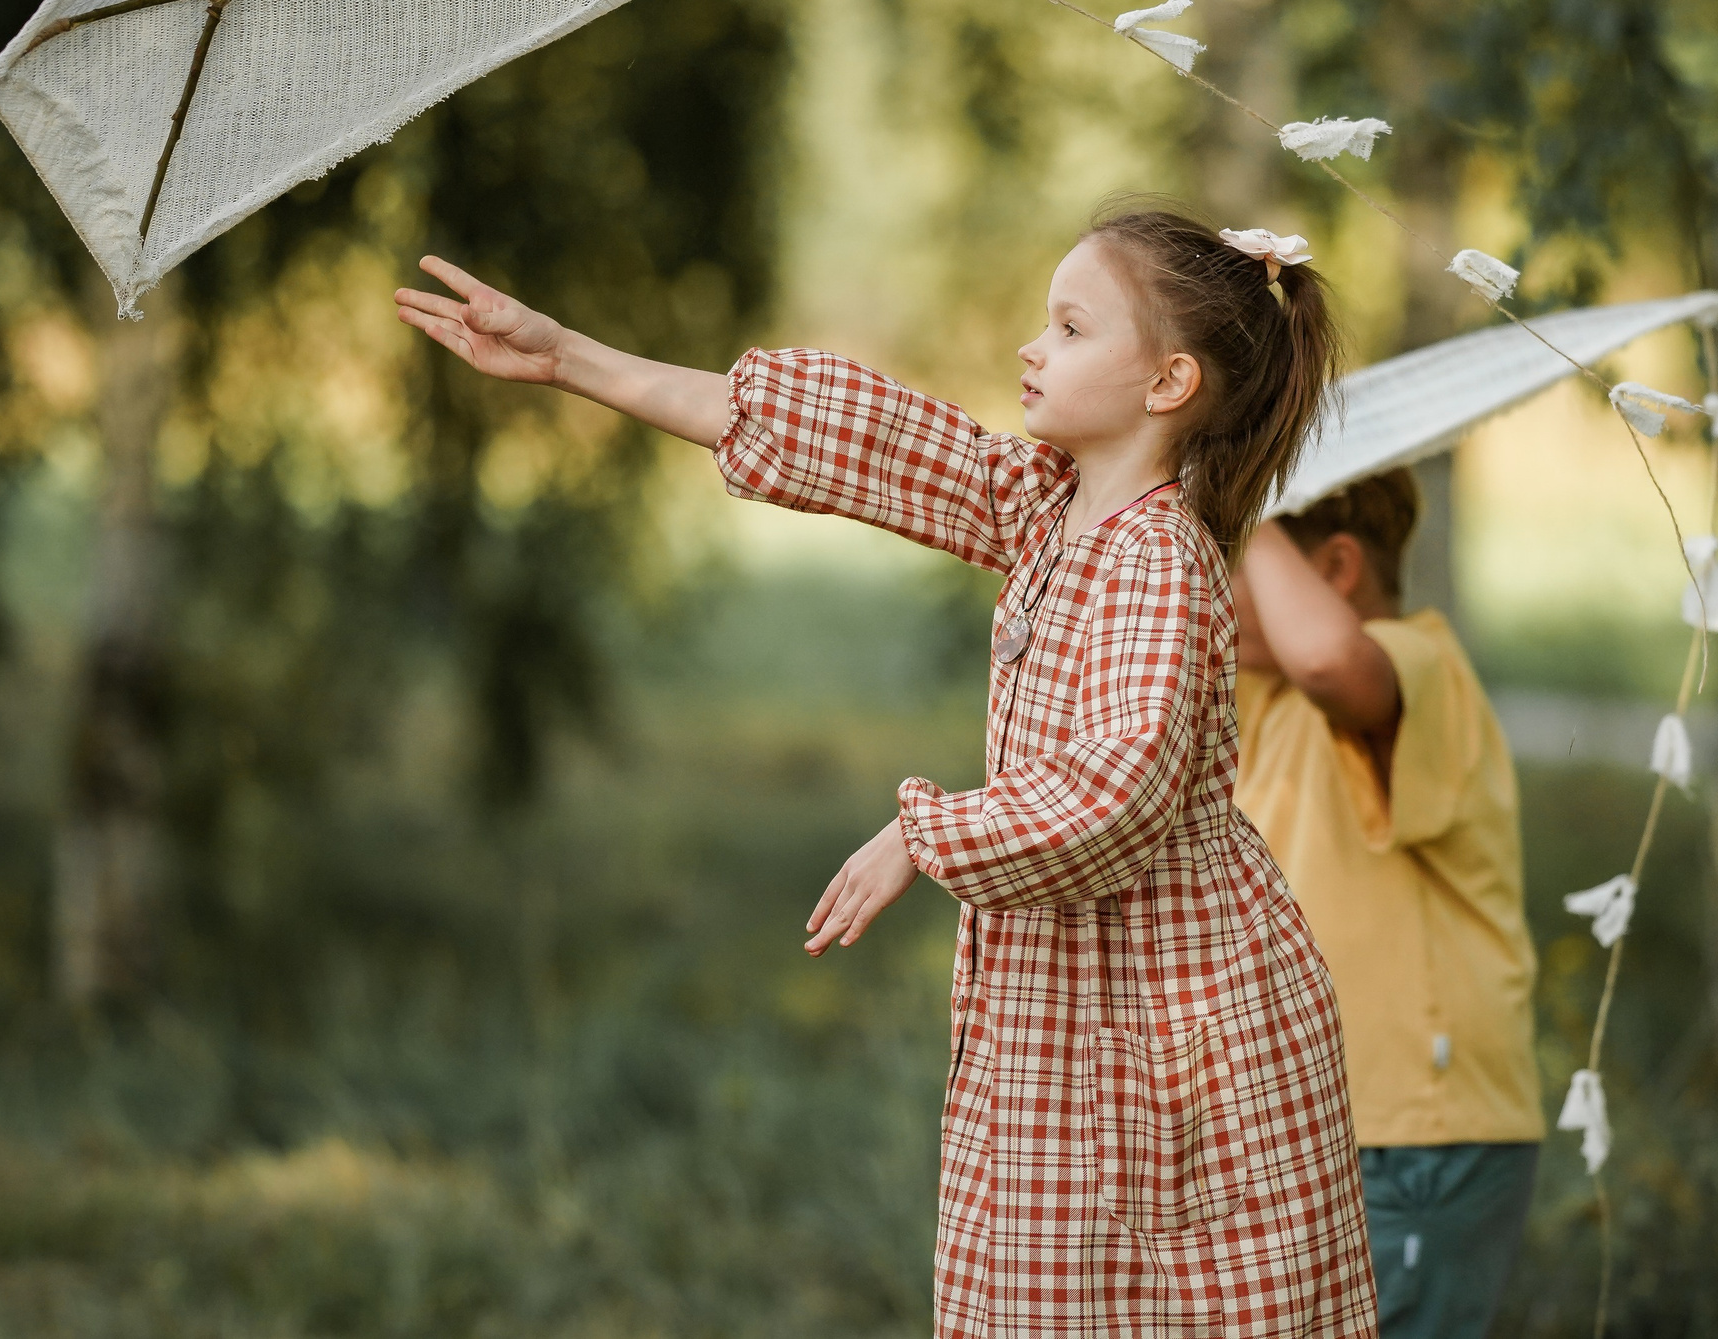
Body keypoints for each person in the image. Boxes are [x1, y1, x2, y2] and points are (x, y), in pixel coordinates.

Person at [393, 209, 1379, 1339]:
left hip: (1172, 1033)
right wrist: (568, 357)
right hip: (1085, 1020)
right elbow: (863, 439)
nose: (1031, 348)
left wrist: (922, 832)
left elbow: (1122, 791)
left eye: (1067, 326)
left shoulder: (1156, 560)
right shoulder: (1051, 509)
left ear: (1167, 382)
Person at [1229, 469, 1541, 1339]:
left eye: (1235, 557)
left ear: (1334, 568)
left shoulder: (1422, 664)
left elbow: (1330, 658)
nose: (1212, 581)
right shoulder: (1264, 697)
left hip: (1415, 1136)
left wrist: (1238, 499)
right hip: (1313, 1131)